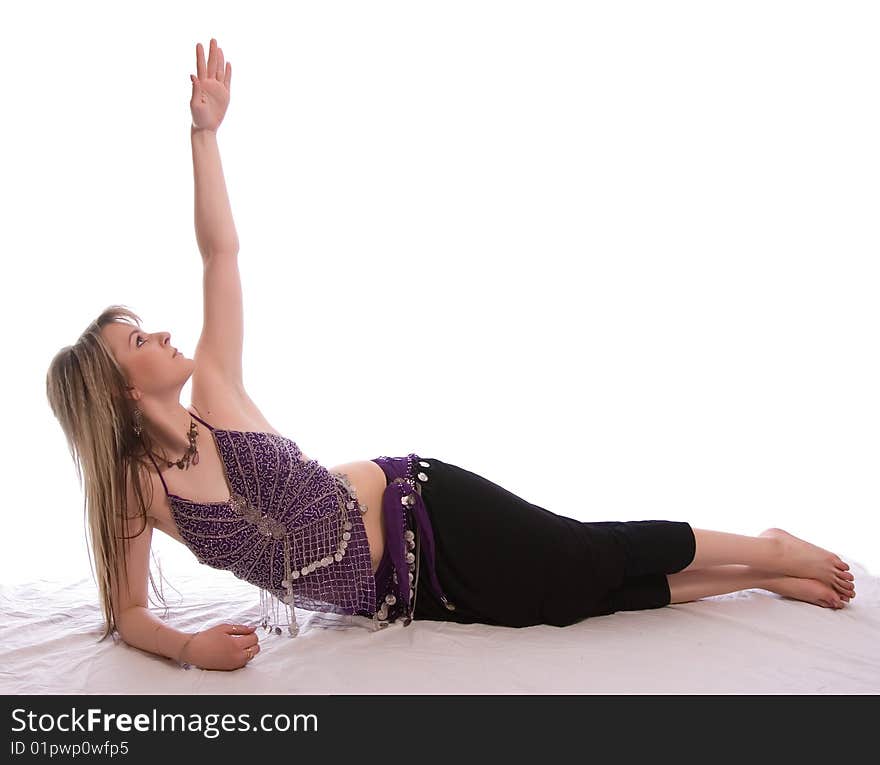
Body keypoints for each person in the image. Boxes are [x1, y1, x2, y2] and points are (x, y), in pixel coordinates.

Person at [44, 38, 856, 673]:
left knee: (581, 554)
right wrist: (189, 649)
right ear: (117, 392)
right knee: (571, 600)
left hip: (423, 507)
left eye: (147, 325)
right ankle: (756, 575)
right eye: (138, 341)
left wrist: (204, 133)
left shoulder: (214, 390)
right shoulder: (137, 491)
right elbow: (131, 615)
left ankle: (769, 548)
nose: (160, 335)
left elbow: (219, 254)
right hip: (401, 595)